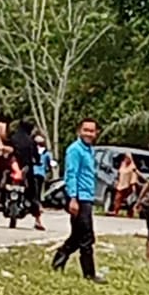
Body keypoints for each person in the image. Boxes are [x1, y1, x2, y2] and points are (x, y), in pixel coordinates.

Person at [53, 117, 101, 279]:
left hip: (87, 196)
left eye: (92, 131)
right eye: (85, 130)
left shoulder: (89, 150)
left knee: (78, 235)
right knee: (86, 237)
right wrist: (72, 198)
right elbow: (71, 174)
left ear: (96, 133)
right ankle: (89, 273)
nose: (88, 133)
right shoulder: (75, 150)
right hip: (78, 197)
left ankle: (59, 259)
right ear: (79, 131)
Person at [5, 119, 44, 231]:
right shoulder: (31, 141)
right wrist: (37, 161)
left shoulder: (12, 138)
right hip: (26, 170)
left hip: (11, 168)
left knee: (0, 187)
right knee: (33, 194)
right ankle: (37, 220)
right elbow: (36, 156)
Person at [113, 151, 139, 216]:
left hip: (128, 186)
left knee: (129, 201)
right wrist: (117, 181)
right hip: (120, 185)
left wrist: (133, 186)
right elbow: (119, 173)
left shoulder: (132, 167)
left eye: (128, 158)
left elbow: (134, 177)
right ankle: (116, 211)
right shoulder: (123, 164)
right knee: (117, 198)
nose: (126, 159)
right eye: (125, 157)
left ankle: (130, 213)